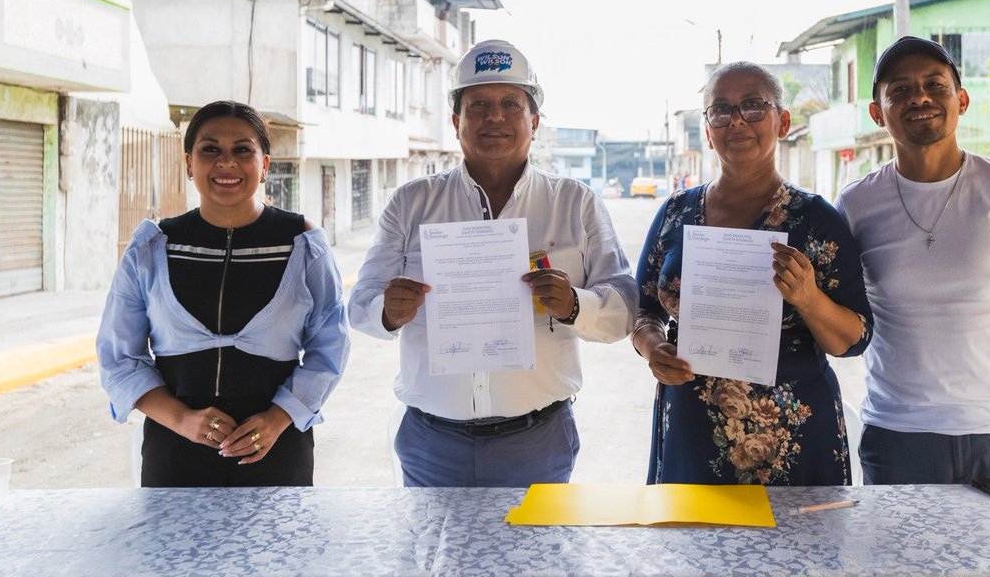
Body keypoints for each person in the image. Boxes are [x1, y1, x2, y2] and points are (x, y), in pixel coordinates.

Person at [349, 40, 637, 488]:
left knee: (535, 559)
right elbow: (360, 305)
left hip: (537, 442)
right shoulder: (411, 203)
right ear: (456, 122)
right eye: (478, 104)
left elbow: (623, 311)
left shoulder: (574, 203)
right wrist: (386, 311)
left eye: (510, 104)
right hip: (431, 443)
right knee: (433, 559)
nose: (494, 117)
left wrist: (575, 304)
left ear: (535, 122)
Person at [836, 35, 990, 485]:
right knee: (903, 558)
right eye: (899, 90)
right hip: (899, 434)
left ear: (960, 100)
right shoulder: (856, 204)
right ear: (876, 113)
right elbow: (843, 314)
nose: (920, 97)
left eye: (935, 85)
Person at [632, 61, 873, 486]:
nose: (737, 120)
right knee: (691, 548)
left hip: (791, 438)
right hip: (692, 430)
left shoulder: (815, 220)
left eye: (753, 106)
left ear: (782, 122)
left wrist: (809, 298)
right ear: (708, 130)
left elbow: (854, 338)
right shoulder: (675, 213)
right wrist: (654, 349)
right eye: (720, 110)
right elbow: (642, 310)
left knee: (798, 551)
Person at [97, 100, 350, 487]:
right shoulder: (154, 246)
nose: (226, 163)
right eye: (210, 149)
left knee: (279, 549)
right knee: (174, 549)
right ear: (188, 163)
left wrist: (278, 418)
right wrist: (183, 419)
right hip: (174, 453)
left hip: (275, 451)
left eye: (242, 150)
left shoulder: (300, 243)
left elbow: (329, 347)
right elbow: (118, 358)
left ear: (265, 165)